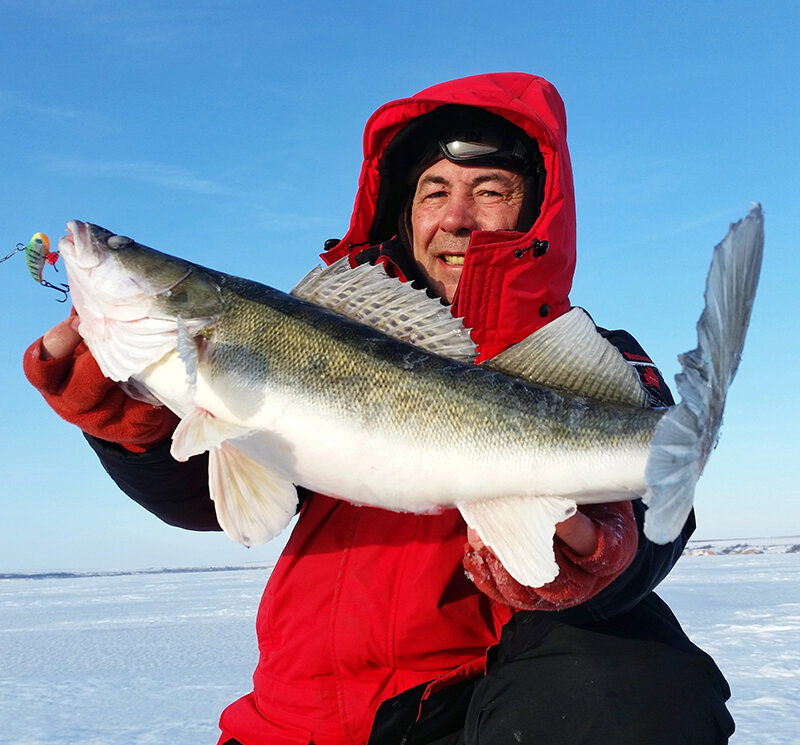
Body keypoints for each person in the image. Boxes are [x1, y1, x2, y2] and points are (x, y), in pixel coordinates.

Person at [25, 73, 735, 744]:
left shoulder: (593, 359)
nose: (455, 217)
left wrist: (608, 551)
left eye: (490, 190)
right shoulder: (319, 324)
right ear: (404, 210)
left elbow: (657, 504)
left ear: (536, 210)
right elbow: (219, 499)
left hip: (472, 705)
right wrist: (127, 418)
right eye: (434, 191)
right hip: (293, 711)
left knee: (639, 683)